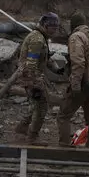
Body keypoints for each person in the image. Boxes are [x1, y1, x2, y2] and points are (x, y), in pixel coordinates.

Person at [15, 12, 64, 143]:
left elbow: (45, 59)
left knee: (35, 104)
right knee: (42, 106)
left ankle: (23, 126)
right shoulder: (37, 39)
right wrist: (33, 85)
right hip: (31, 76)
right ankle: (32, 137)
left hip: (33, 75)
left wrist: (57, 70)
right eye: (52, 28)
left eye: (56, 28)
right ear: (45, 26)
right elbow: (31, 63)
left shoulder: (42, 37)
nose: (55, 30)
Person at [57, 11, 89, 148]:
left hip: (83, 83)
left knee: (63, 116)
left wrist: (75, 85)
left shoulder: (76, 37)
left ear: (73, 24)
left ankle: (64, 147)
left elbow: (78, 63)